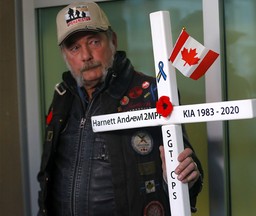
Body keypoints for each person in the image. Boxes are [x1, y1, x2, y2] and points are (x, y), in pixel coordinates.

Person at [37, 1, 203, 216]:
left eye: (94, 42)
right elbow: (49, 173)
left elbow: (185, 171)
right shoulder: (62, 96)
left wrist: (185, 178)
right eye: (74, 47)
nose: (86, 55)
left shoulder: (152, 91)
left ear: (112, 40)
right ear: (65, 55)